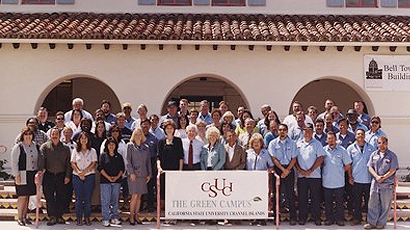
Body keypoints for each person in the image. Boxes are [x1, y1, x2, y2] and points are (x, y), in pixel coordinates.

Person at [38, 128, 72, 226]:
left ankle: (59, 216)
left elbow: (68, 164)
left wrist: (67, 176)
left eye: (56, 134)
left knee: (61, 196)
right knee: (49, 196)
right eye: (53, 134)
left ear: (60, 136)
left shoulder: (65, 148)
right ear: (50, 135)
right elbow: (41, 160)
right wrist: (40, 170)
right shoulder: (44, 147)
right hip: (49, 175)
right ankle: (52, 216)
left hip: (61, 175)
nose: (54, 136)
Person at [364, 136, 398, 229]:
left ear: (387, 144)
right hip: (375, 183)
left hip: (387, 184)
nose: (381, 145)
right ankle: (372, 223)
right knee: (372, 203)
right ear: (377, 144)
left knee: (385, 205)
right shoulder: (374, 154)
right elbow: (370, 167)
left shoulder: (392, 155)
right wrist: (376, 176)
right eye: (379, 143)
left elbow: (393, 169)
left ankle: (381, 224)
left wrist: (383, 177)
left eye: (383, 143)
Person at [268, 123, 298, 225]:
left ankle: (293, 217)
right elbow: (273, 158)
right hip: (278, 170)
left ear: (287, 131)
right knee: (277, 195)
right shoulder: (273, 143)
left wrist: (287, 170)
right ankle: (276, 217)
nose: (282, 132)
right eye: (280, 130)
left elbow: (294, 158)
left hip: (289, 169)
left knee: (290, 194)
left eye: (284, 130)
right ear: (277, 131)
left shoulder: (293, 143)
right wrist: (282, 170)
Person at [295, 123, 324, 226]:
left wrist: (311, 170)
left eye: (309, 131)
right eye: (305, 130)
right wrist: (300, 170)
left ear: (312, 132)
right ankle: (303, 217)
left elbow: (320, 158)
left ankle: (316, 217)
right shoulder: (298, 144)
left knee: (315, 197)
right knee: (302, 198)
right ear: (302, 132)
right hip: (301, 176)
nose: (307, 132)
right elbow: (294, 159)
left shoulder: (317, 144)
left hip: (314, 176)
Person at [11, 128, 40, 226]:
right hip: (22, 174)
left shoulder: (35, 145)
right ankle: (19, 217)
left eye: (30, 134)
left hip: (32, 174)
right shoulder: (18, 146)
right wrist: (16, 175)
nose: (28, 136)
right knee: (22, 196)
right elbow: (14, 162)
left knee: (28, 196)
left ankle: (25, 216)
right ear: (22, 135)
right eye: (26, 134)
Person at [322, 131, 352, 226]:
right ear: (326, 140)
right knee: (328, 202)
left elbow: (348, 165)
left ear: (336, 139)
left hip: (339, 181)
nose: (331, 140)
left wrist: (339, 171)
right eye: (329, 138)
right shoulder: (323, 151)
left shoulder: (342, 150)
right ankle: (329, 219)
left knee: (339, 202)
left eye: (332, 138)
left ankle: (339, 219)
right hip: (327, 181)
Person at [347, 129, 376, 226]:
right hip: (356, 179)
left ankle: (369, 219)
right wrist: (350, 176)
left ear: (365, 136)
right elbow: (348, 164)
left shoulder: (371, 148)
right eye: (358, 134)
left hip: (368, 179)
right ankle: (357, 219)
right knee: (356, 201)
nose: (360, 136)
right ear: (355, 136)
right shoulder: (350, 148)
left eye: (362, 134)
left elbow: (374, 164)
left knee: (369, 201)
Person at [157, 120, 183, 225]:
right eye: (167, 128)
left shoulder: (178, 141)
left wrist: (180, 171)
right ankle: (167, 216)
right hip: (164, 172)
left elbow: (181, 157)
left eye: (171, 128)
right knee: (165, 195)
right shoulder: (161, 141)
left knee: (174, 194)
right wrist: (159, 168)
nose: (169, 130)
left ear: (174, 130)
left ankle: (174, 216)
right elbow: (158, 157)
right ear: (165, 130)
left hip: (174, 172)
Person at [246, 133, 274, 226]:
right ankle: (253, 217)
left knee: (262, 198)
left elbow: (271, 165)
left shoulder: (265, 153)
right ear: (252, 143)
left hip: (262, 180)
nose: (256, 144)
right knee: (252, 198)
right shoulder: (248, 152)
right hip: (251, 179)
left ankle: (262, 218)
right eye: (254, 142)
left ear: (261, 143)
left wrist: (268, 171)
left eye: (258, 142)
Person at [71, 132, 98, 226]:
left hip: (89, 176)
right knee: (78, 199)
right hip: (77, 176)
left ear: (88, 140)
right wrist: (79, 172)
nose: (83, 140)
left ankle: (87, 217)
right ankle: (79, 218)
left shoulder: (92, 151)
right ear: (79, 140)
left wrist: (84, 172)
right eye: (81, 138)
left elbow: (93, 163)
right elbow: (73, 163)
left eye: (85, 138)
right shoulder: (75, 151)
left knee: (87, 199)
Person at [126, 127, 151, 225]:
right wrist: (131, 172)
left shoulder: (146, 147)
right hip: (134, 175)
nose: (138, 136)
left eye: (139, 134)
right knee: (134, 196)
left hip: (143, 175)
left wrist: (149, 174)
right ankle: (131, 216)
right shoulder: (130, 146)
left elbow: (148, 162)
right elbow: (128, 160)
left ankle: (137, 215)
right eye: (136, 134)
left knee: (139, 196)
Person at [98, 137, 124, 227]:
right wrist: (108, 177)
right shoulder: (103, 155)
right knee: (105, 200)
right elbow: (100, 168)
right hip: (105, 181)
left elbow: (122, 168)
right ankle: (105, 218)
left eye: (113, 144)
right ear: (107, 145)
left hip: (116, 181)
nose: (111, 146)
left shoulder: (119, 156)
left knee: (115, 200)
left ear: (116, 145)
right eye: (109, 144)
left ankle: (114, 218)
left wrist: (116, 177)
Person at [141, 119, 158, 212]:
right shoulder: (138, 137)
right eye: (143, 126)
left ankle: (150, 205)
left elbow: (156, 153)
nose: (145, 127)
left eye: (147, 125)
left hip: (151, 163)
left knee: (150, 186)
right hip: (140, 163)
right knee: (141, 185)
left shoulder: (154, 138)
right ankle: (140, 205)